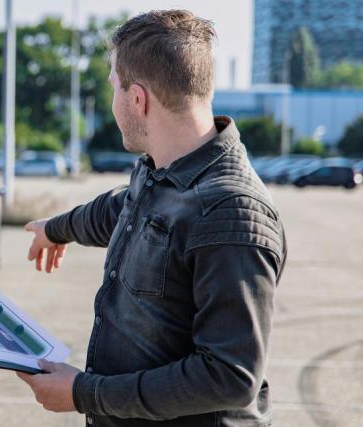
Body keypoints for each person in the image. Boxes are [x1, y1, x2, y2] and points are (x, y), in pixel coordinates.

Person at [18, 10, 286, 427]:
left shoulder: (231, 214)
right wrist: (57, 228)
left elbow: (230, 377)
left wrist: (82, 393)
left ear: (137, 99)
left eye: (114, 89)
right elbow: (122, 209)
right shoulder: (161, 171)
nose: (113, 103)